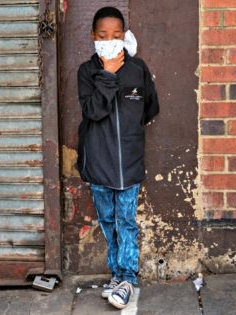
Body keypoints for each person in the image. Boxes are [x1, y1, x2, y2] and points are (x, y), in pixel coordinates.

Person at [76, 6, 159, 310]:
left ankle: (128, 279)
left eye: (115, 35)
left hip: (128, 165)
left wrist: (130, 136)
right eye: (102, 35)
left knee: (126, 222)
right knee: (108, 221)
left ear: (124, 36)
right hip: (98, 163)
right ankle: (116, 275)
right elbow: (94, 111)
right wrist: (108, 75)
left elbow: (150, 108)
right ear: (92, 37)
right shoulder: (87, 72)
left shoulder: (137, 69)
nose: (109, 40)